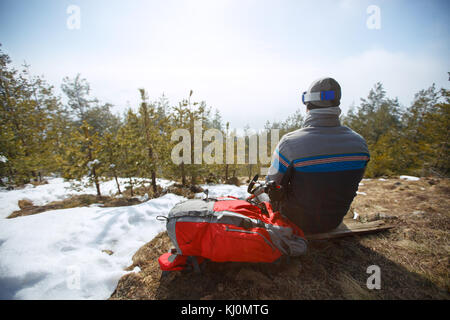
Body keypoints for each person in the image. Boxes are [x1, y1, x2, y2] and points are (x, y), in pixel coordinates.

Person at [266, 77, 370, 234]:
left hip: (296, 221)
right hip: (334, 221)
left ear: (308, 105)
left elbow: (272, 184)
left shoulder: (290, 143)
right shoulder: (360, 144)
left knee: (262, 197)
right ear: (337, 103)